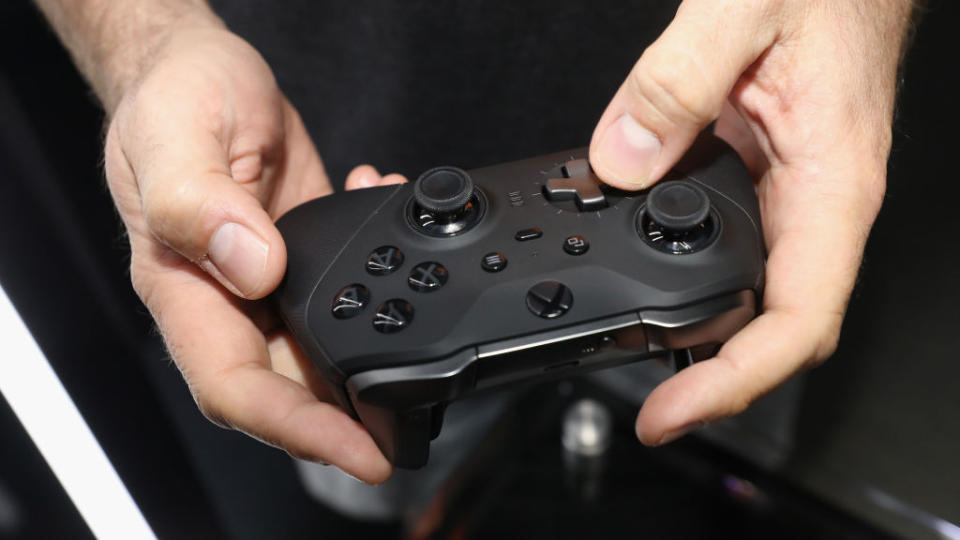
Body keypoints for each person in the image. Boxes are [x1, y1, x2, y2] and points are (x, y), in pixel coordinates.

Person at [34, 0, 918, 485]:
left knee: (723, 458)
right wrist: (153, 40)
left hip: (748, 136)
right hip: (294, 172)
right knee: (396, 475)